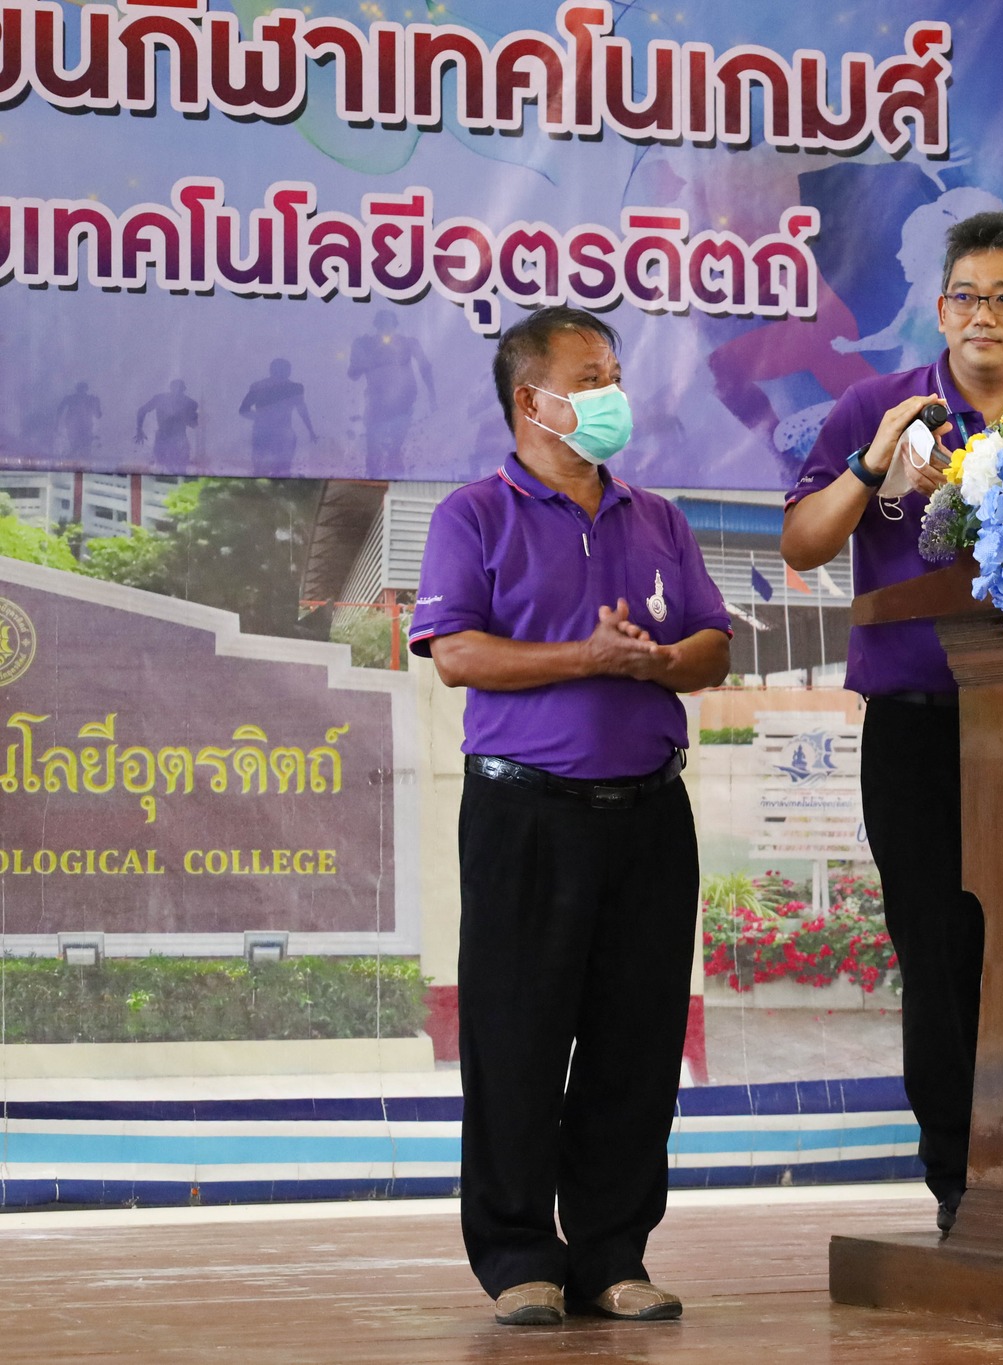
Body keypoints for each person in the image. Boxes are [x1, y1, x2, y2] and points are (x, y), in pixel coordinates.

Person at [408, 306, 732, 1326]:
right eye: (589, 378)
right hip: (524, 818)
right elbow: (456, 653)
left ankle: (611, 1254)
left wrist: (667, 662)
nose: (610, 396)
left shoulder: (656, 517)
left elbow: (715, 639)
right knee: (516, 1037)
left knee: (637, 1042)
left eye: (614, 375)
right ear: (530, 400)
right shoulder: (472, 514)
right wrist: (586, 658)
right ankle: (517, 1258)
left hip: (647, 815)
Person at [780, 211, 1003, 1237]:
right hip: (916, 730)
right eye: (964, 296)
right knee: (941, 952)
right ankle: (960, 1180)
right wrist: (870, 468)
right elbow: (801, 545)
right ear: (938, 309)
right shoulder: (878, 406)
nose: (982, 316)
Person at [350, 308, 436, 477]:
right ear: (376, 325)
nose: (386, 327)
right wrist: (370, 358)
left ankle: (396, 478)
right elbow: (353, 373)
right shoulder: (364, 344)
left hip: (403, 403)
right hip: (376, 402)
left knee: (395, 450)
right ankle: (373, 478)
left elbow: (425, 367)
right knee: (373, 449)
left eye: (389, 323)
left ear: (395, 324)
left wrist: (432, 396)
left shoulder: (408, 343)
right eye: (382, 323)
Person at [239, 359, 317, 475]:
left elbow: (302, 410)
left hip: (272, 432)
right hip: (275, 432)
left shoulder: (260, 387)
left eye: (284, 370)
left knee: (269, 469)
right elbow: (302, 410)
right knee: (276, 469)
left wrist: (261, 418)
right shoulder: (293, 388)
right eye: (281, 370)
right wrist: (311, 431)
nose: (283, 373)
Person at [134, 380, 199, 465]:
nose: (176, 392)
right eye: (175, 388)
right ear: (171, 388)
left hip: (179, 439)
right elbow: (142, 410)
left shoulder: (190, 403)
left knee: (179, 467)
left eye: (179, 390)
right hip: (164, 437)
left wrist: (188, 417)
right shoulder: (160, 399)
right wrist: (139, 429)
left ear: (183, 390)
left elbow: (194, 425)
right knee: (161, 466)